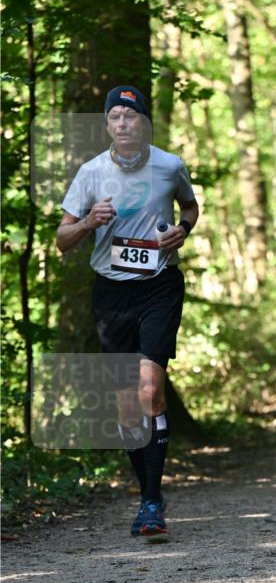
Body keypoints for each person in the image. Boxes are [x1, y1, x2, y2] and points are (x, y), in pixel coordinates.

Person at [56, 85, 199, 539]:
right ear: (107, 124)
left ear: (143, 123)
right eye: (114, 116)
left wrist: (182, 230)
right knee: (125, 407)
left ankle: (152, 501)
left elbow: (191, 208)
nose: (122, 123)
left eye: (130, 116)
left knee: (150, 388)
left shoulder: (169, 165)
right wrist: (87, 223)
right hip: (111, 294)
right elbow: (61, 240)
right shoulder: (90, 173)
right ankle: (147, 493)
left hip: (159, 287)